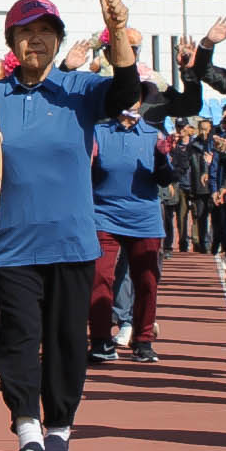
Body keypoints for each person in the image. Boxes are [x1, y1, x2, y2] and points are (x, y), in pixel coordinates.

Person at [0, 0, 142, 451]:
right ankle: (26, 425)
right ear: (12, 41)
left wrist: (117, 32)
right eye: (26, 33)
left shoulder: (80, 91)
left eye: (46, 33)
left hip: (72, 243)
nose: (36, 41)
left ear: (58, 41)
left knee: (67, 341)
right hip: (12, 244)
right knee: (17, 337)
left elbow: (126, 92)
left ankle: (59, 427)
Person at [89, 93, 171, 364]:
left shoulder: (153, 134)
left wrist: (161, 159)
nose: (131, 102)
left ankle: (143, 339)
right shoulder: (99, 131)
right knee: (100, 277)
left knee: (146, 281)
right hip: (104, 215)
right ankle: (101, 340)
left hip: (143, 218)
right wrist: (90, 160)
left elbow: (165, 178)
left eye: (136, 97)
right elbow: (86, 172)